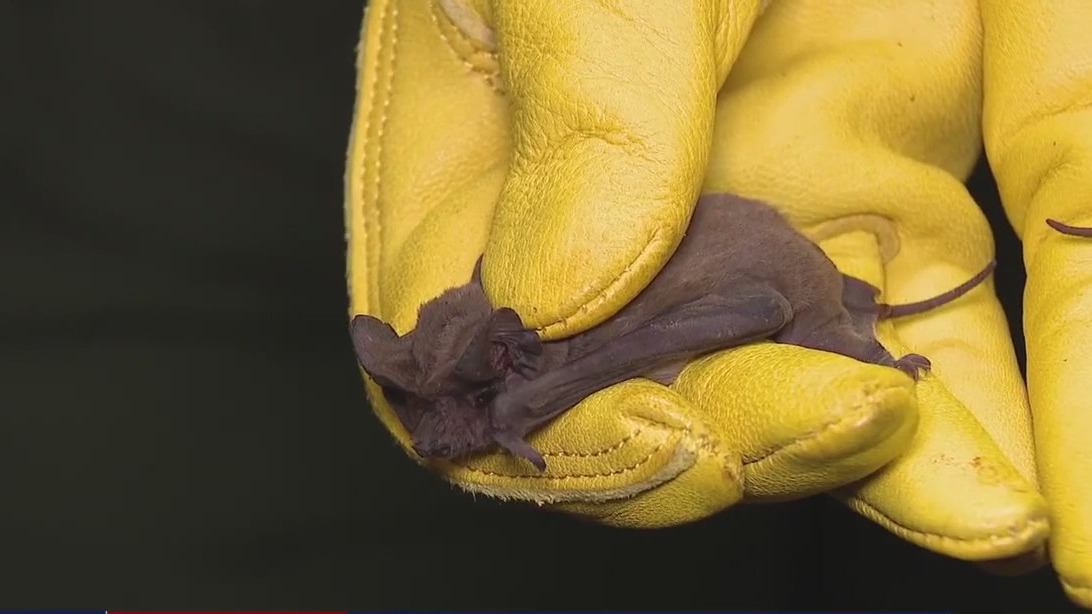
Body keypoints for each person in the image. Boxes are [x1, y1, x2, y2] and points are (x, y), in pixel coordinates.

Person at [348, 0, 1092, 611]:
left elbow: (754, 304)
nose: (434, 437)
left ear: (506, 362)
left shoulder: (540, 349)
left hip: (764, 282)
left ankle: (845, 326)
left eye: (467, 400)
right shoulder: (510, 312)